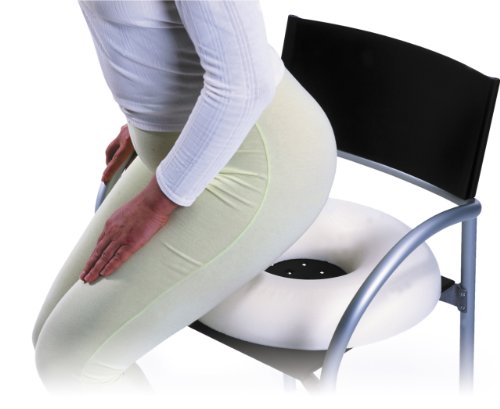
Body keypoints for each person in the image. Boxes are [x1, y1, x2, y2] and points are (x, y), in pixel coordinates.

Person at [32, 0, 336, 393]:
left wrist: (156, 201)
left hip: (261, 165)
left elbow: (247, 85)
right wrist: (148, 119)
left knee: (68, 361)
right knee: (52, 340)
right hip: (192, 144)